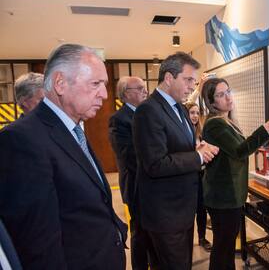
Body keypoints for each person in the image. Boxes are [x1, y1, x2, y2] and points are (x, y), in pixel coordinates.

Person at [0, 44, 127, 270]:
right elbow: (37, 244)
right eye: (95, 84)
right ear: (60, 83)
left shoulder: (71, 126)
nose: (104, 94)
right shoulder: (21, 139)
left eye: (105, 85)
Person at [132, 52, 219, 270]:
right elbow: (155, 164)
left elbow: (177, 148)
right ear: (169, 78)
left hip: (182, 209)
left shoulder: (179, 108)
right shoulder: (148, 110)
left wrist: (196, 149)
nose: (192, 86)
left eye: (194, 81)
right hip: (165, 214)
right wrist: (198, 156)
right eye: (188, 80)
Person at [201, 77, 269, 270]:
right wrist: (267, 128)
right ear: (212, 102)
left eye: (228, 91)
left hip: (229, 197)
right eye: (220, 94)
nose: (227, 97)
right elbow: (241, 150)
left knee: (225, 247)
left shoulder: (227, 121)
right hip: (223, 198)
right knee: (223, 248)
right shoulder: (214, 124)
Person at [109, 76, 156, 270]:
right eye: (140, 88)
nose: (146, 91)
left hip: (153, 184)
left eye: (145, 87)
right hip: (137, 185)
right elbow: (129, 156)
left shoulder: (146, 115)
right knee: (140, 233)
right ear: (127, 93)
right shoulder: (119, 119)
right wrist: (158, 162)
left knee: (153, 231)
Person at [184, 102, 212, 252]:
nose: (195, 116)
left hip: (201, 175)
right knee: (189, 210)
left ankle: (202, 237)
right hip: (189, 177)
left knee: (202, 209)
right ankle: (187, 241)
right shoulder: (183, 133)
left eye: (196, 113)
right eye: (191, 113)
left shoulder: (201, 132)